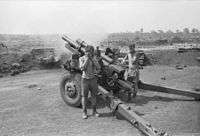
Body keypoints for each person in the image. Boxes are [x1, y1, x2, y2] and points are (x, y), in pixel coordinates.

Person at [79, 45, 101, 119]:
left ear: (92, 52)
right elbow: (82, 68)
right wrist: (87, 59)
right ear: (85, 52)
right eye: (86, 51)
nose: (87, 53)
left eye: (90, 52)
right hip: (85, 79)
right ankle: (84, 112)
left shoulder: (94, 59)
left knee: (94, 96)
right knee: (84, 96)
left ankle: (94, 111)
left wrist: (92, 60)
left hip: (93, 79)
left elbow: (98, 67)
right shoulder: (81, 58)